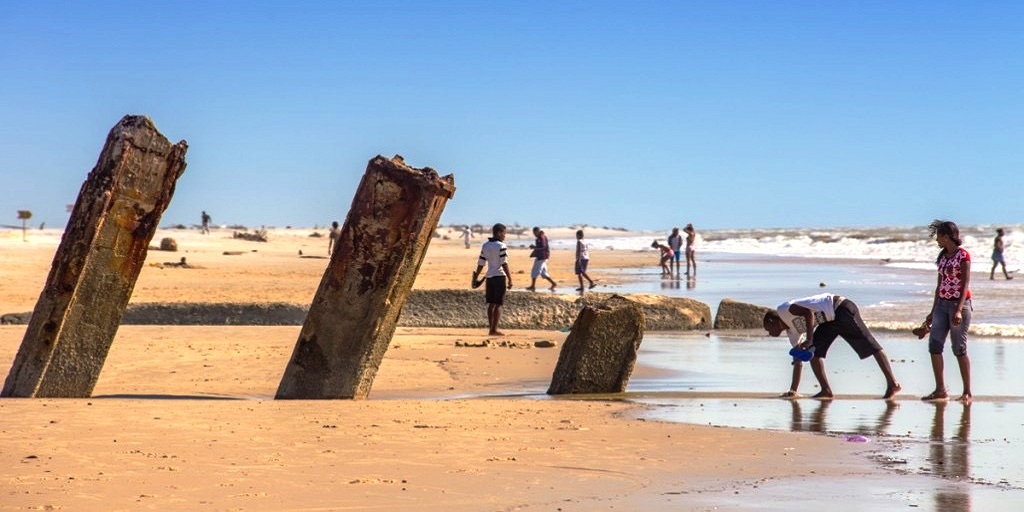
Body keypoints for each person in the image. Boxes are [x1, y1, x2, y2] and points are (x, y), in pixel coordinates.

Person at [763, 293, 901, 400]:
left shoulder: (784, 310)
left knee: (870, 344)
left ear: (772, 321)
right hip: (829, 321)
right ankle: (826, 390)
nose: (769, 333)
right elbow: (798, 360)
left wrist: (810, 339)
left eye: (768, 329)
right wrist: (793, 390)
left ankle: (892, 384)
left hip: (840, 308)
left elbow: (808, 313)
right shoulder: (792, 333)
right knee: (814, 353)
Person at [922, 220, 973, 402]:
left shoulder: (963, 256)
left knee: (959, 348)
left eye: (938, 236)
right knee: (934, 346)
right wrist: (932, 310)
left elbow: (965, 284)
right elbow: (939, 286)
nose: (936, 240)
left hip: (959, 305)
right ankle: (940, 389)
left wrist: (958, 310)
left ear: (946, 236)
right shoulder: (942, 257)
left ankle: (967, 391)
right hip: (942, 305)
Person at [473, 223, 512, 336]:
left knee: (491, 304)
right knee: (499, 304)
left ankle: (491, 329)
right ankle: (494, 330)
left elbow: (481, 263)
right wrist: (510, 278)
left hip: (489, 277)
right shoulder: (501, 245)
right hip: (499, 276)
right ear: (499, 233)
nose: (505, 236)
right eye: (504, 233)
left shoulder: (485, 245)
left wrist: (476, 277)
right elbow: (504, 263)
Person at [527, 227, 557, 291]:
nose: (534, 234)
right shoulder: (539, 238)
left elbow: (544, 247)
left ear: (538, 231)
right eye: (533, 233)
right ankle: (553, 283)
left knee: (534, 271)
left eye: (535, 232)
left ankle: (533, 286)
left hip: (542, 256)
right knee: (543, 273)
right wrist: (534, 251)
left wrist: (534, 247)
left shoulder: (542, 237)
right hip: (542, 256)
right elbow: (540, 247)